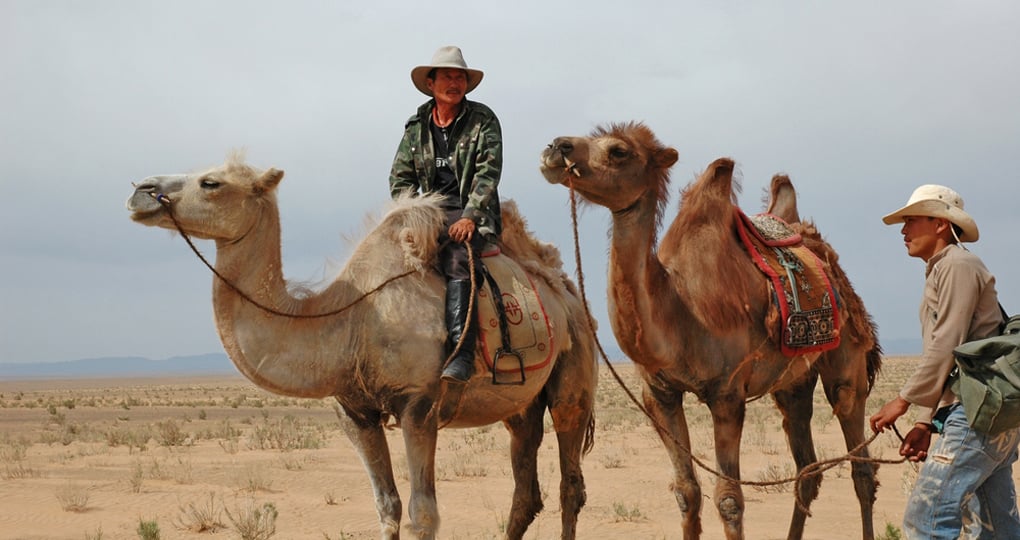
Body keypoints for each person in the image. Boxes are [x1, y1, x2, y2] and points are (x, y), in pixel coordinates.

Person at [869, 184, 1020, 538]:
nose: (903, 231)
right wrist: (925, 424)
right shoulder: (943, 269)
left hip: (978, 410)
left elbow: (945, 345)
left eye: (911, 220)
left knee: (927, 516)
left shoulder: (957, 265)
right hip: (983, 410)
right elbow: (948, 352)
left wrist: (904, 401)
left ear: (940, 224)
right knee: (995, 528)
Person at [388, 45, 503, 383]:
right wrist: (409, 213)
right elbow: (400, 178)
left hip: (470, 210)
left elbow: (488, 173)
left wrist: (471, 215)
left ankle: (461, 352)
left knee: (456, 255)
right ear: (431, 82)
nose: (455, 82)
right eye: (448, 77)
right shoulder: (416, 126)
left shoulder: (483, 120)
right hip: (428, 211)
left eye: (460, 77)